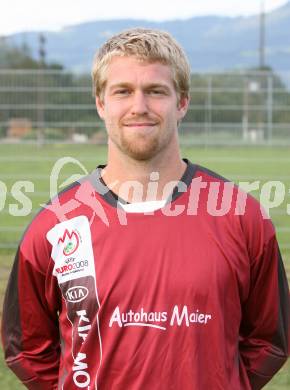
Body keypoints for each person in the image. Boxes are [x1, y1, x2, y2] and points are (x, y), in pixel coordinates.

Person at [1, 28, 289, 390]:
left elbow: (269, 340)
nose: (139, 106)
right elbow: (26, 349)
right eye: (123, 91)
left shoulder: (241, 217)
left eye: (155, 91)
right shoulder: (55, 225)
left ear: (182, 102)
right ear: (101, 103)